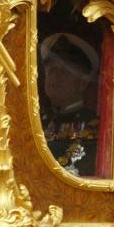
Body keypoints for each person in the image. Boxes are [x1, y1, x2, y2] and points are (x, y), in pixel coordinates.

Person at [39, 32, 100, 176]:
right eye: (52, 70)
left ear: (83, 83)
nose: (56, 77)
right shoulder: (37, 121)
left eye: (64, 71)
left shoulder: (93, 125)